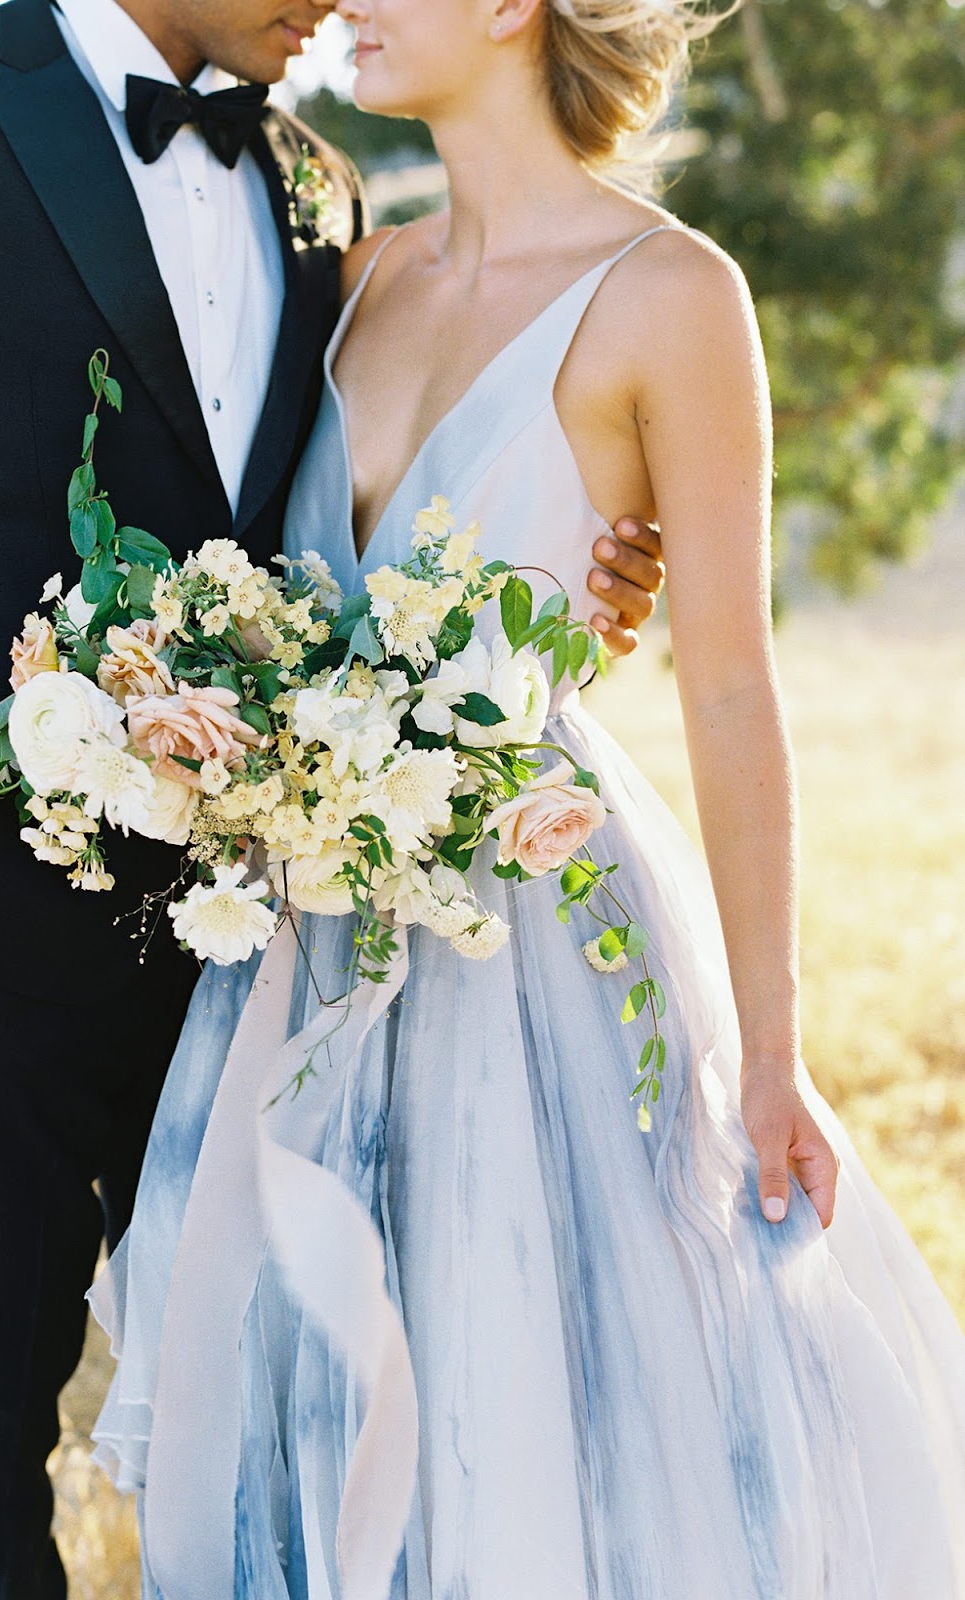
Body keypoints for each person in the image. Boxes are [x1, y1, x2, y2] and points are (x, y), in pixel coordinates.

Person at [0, 0, 666, 1592]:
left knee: (286, 1428)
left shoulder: (320, 188)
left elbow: (365, 518)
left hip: (282, 946)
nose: (337, 0)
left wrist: (577, 563)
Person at [89, 0, 965, 1595]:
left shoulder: (672, 296)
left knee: (524, 1384)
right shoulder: (356, 274)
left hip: (534, 926)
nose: (346, 5)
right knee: (320, 1394)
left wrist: (774, 1052)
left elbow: (728, 688)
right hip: (308, 933)